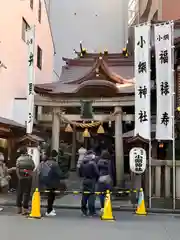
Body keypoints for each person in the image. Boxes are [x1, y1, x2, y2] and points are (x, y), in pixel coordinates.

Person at [39, 149, 62, 217]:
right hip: (53, 182)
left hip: (47, 182)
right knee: (51, 197)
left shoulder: (46, 163)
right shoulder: (55, 164)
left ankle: (50, 209)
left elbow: (44, 174)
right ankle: (49, 210)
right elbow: (60, 174)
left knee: (50, 196)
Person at [79, 150, 99, 216]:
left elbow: (80, 173)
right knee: (91, 196)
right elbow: (97, 173)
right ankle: (91, 211)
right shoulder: (92, 163)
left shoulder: (82, 163)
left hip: (85, 180)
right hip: (92, 180)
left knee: (84, 195)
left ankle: (84, 210)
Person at [16, 147, 35, 215]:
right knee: (26, 193)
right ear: (26, 151)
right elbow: (33, 166)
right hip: (28, 177)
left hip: (21, 177)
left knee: (19, 193)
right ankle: (25, 209)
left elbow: (17, 168)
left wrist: (19, 176)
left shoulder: (18, 159)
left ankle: (19, 209)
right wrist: (28, 172)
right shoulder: (30, 159)